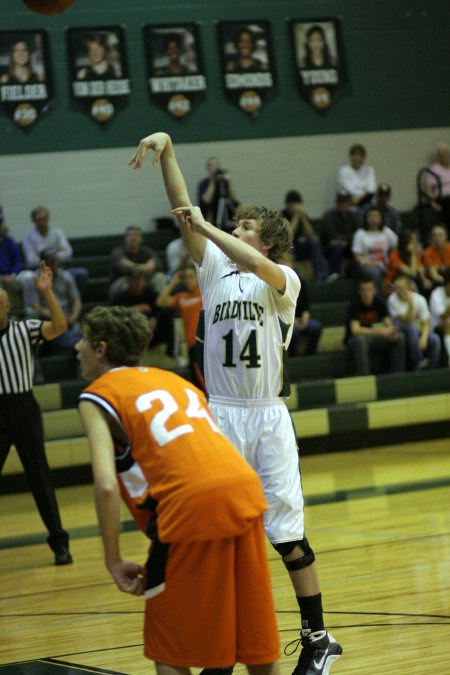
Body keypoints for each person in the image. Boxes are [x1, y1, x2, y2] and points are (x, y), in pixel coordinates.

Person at [129, 131, 343, 675]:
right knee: (218, 532)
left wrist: (206, 225)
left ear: (266, 240)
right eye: (236, 224)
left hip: (267, 416)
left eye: (246, 226)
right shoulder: (214, 270)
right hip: (219, 411)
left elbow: (221, 237)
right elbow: (184, 212)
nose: (237, 229)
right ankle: (222, 639)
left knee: (287, 535)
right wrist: (170, 153)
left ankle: (318, 636)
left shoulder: (283, 281)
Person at [76, 305, 281, 675]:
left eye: (84, 341)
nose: (77, 348)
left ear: (101, 349)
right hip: (245, 491)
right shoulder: (174, 380)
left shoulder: (97, 395)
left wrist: (112, 559)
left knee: (168, 648)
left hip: (191, 504)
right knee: (255, 640)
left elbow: (106, 485)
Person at [0, 261, 72, 566]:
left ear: (6, 306)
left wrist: (47, 293)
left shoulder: (24, 329)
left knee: (39, 477)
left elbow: (59, 327)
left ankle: (60, 543)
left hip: (23, 407)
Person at [156, 263, 206, 391]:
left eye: (191, 276)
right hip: (191, 346)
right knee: (197, 382)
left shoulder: (205, 294)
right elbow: (160, 302)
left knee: (206, 382)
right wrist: (174, 281)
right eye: (185, 278)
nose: (188, 280)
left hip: (205, 343)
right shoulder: (182, 298)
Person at [24, 249, 82, 352]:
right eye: (50, 262)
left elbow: (76, 300)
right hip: (46, 318)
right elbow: (36, 306)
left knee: (81, 333)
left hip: (67, 316)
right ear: (42, 263)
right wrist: (58, 317)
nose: (54, 265)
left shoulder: (67, 277)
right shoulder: (33, 279)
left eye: (55, 261)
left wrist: (74, 316)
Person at [21, 206, 88, 295]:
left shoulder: (58, 233)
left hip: (59, 269)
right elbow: (31, 260)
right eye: (39, 219)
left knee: (81, 273)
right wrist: (56, 251)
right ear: (33, 220)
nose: (42, 222)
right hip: (40, 272)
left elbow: (68, 253)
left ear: (48, 219)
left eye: (44, 218)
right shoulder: (28, 236)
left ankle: (75, 301)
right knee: (28, 279)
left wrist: (45, 255)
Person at [344, 278, 405, 376]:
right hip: (353, 341)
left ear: (374, 291)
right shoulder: (354, 304)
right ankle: (365, 376)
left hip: (371, 338)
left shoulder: (378, 302)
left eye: (369, 290)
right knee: (360, 340)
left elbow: (388, 323)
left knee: (399, 337)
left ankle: (397, 375)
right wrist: (380, 331)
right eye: (363, 290)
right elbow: (356, 330)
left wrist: (391, 331)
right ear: (359, 292)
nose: (366, 293)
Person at [111, 268, 174, 358]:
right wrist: (132, 309)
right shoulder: (121, 297)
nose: (138, 282)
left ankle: (170, 354)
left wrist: (155, 319)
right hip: (132, 333)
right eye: (135, 280)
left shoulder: (150, 293)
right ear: (129, 281)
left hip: (152, 332)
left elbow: (166, 309)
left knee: (168, 320)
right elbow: (113, 314)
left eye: (140, 279)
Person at [387, 275, 441, 370]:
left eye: (400, 288)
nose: (397, 291)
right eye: (396, 288)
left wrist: (424, 338)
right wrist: (410, 303)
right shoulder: (392, 300)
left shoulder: (420, 299)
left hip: (417, 330)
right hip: (400, 330)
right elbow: (408, 320)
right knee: (411, 327)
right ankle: (418, 362)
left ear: (408, 287)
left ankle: (433, 370)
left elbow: (426, 322)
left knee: (435, 339)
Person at [282, 190, 330, 282]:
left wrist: (303, 217)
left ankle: (322, 275)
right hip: (290, 247)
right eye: (292, 204)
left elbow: (311, 234)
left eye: (296, 203)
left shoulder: (303, 215)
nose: (294, 206)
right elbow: (289, 236)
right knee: (288, 248)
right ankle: (297, 279)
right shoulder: (283, 215)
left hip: (302, 246)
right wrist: (296, 217)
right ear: (287, 205)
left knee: (314, 241)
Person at [109, 225, 165, 301]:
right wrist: (144, 267)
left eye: (136, 235)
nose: (132, 237)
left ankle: (160, 305)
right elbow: (124, 264)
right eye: (129, 235)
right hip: (123, 280)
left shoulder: (147, 250)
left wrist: (140, 268)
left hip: (143, 280)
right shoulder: (118, 251)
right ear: (125, 238)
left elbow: (156, 264)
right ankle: (125, 308)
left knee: (159, 277)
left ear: (141, 239)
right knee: (125, 284)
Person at [351, 207, 398, 292]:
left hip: (384, 262)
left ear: (381, 218)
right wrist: (367, 262)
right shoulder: (360, 233)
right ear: (366, 219)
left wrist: (392, 259)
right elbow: (357, 255)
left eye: (376, 216)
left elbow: (398, 245)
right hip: (367, 264)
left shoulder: (386, 231)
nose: (374, 219)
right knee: (375, 272)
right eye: (370, 217)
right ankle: (377, 298)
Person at [285, 253, 323, 357]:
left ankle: (310, 355)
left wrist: (305, 319)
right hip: (287, 321)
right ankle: (294, 358)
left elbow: (306, 305)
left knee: (316, 327)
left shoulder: (301, 281)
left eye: (288, 262)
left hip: (300, 319)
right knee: (293, 332)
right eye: (284, 263)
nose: (287, 265)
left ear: (293, 265)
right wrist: (293, 321)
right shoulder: (277, 284)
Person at [320, 189, 360, 278]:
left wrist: (346, 241)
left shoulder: (354, 216)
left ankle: (353, 273)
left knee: (357, 248)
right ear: (337, 202)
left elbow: (357, 233)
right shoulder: (329, 215)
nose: (343, 204)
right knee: (337, 247)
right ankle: (334, 273)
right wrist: (342, 241)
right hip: (330, 247)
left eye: (346, 202)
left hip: (348, 246)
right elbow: (329, 235)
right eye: (341, 202)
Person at [384, 229, 431, 296]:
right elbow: (412, 273)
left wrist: (424, 279)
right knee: (415, 282)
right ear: (405, 242)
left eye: (416, 240)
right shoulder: (394, 254)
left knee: (424, 284)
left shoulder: (415, 251)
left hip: (409, 279)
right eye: (412, 240)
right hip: (394, 282)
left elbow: (419, 267)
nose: (415, 243)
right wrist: (413, 254)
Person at [197, 157, 239, 228]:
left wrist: (229, 182)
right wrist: (212, 181)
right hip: (210, 217)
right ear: (208, 168)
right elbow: (206, 200)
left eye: (216, 165)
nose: (215, 167)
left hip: (225, 216)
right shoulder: (203, 183)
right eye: (212, 165)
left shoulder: (223, 183)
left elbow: (233, 197)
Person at [337, 144, 377, 208]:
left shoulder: (369, 169)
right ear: (351, 156)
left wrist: (360, 197)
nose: (357, 158)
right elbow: (350, 189)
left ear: (363, 157)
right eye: (355, 155)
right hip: (351, 202)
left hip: (367, 201)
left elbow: (372, 188)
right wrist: (364, 192)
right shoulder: (343, 170)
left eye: (360, 155)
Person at [424, 142, 450, 229]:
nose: (443, 156)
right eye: (440, 155)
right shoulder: (434, 168)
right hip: (443, 200)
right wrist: (433, 202)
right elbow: (428, 187)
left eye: (445, 153)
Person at [429, 266, 450, 367]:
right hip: (437, 328)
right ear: (447, 284)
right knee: (447, 324)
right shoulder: (436, 294)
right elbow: (443, 317)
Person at [0, 208, 22, 290]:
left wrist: (13, 274)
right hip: (1, 278)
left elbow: (18, 261)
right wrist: (2, 278)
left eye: (1, 224)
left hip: (13, 275)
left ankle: (32, 303)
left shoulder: (9, 241)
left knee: (29, 277)